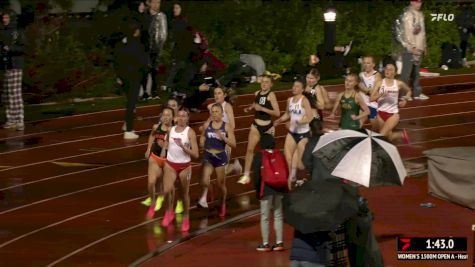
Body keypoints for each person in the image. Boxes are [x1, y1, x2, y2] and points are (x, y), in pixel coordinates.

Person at [198, 86, 241, 208]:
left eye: (219, 93)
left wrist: (224, 135)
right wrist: (203, 127)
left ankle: (234, 166)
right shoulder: (213, 108)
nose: (216, 96)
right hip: (212, 143)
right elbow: (208, 122)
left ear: (224, 95)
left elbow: (232, 125)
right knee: (208, 170)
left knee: (223, 172)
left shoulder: (227, 107)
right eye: (215, 93)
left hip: (224, 143)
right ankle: (203, 198)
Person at [161, 108, 199, 232]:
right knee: (166, 190)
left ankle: (186, 217)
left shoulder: (190, 132)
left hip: (184, 167)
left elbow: (196, 154)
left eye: (184, 116)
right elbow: (167, 144)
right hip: (170, 165)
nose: (181, 118)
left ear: (187, 118)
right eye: (179, 116)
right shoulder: (171, 130)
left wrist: (183, 146)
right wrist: (163, 150)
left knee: (183, 194)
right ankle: (169, 212)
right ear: (176, 117)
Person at [237, 75, 280, 184]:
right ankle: (246, 175)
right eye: (263, 82)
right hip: (256, 126)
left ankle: (272, 174)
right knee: (250, 150)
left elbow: (277, 113)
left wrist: (262, 109)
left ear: (271, 84)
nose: (264, 84)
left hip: (267, 128)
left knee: (268, 154)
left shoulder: (271, 95)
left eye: (267, 82)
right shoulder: (256, 93)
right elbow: (256, 103)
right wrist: (250, 108)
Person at [273, 79, 313, 183]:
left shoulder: (304, 101)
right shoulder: (289, 100)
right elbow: (287, 114)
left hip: (303, 134)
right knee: (288, 156)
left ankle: (308, 173)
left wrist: (296, 122)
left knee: (300, 164)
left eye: (297, 86)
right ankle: (292, 176)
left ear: (302, 89)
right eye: (293, 86)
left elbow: (309, 118)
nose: (294, 88)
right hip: (292, 133)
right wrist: (279, 120)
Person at [114, 22, 148, 139]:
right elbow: (142, 62)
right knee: (132, 103)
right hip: (134, 77)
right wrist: (145, 75)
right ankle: (128, 130)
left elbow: (117, 60)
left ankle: (127, 124)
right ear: (136, 31)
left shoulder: (122, 43)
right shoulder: (137, 45)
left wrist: (118, 76)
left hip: (124, 77)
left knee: (130, 102)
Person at [252, 133, 286, 252]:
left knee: (265, 217)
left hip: (265, 189)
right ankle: (279, 242)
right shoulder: (280, 153)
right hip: (279, 188)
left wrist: (257, 191)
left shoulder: (259, 156)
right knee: (278, 215)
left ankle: (265, 243)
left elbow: (256, 175)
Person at [142, 106, 174, 219]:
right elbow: (152, 136)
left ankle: (169, 210)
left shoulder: (174, 131)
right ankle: (153, 203)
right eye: (164, 115)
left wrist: (166, 148)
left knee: (167, 189)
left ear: (172, 117)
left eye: (168, 115)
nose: (165, 117)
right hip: (155, 158)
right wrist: (148, 149)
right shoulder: (156, 127)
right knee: (151, 183)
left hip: (168, 161)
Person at [395, 0, 428, 100]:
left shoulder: (420, 14)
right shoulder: (408, 15)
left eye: (420, 2)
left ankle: (417, 93)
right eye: (417, 2)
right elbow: (407, 32)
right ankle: (403, 94)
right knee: (406, 72)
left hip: (419, 48)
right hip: (410, 48)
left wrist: (424, 45)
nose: (419, 4)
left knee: (416, 72)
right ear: (411, 2)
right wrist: (412, 46)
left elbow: (422, 32)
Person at [370, 63, 412, 144]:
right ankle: (400, 135)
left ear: (395, 73)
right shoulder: (379, 83)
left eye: (390, 69)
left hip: (393, 114)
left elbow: (409, 91)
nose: (387, 71)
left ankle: (374, 149)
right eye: (386, 69)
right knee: (387, 137)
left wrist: (405, 100)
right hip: (380, 114)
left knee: (381, 136)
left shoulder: (399, 83)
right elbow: (371, 98)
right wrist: (380, 94)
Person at [0, 10, 25, 131]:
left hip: (16, 65)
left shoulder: (18, 31)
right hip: (6, 66)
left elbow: (23, 47)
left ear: (12, 18)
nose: (4, 20)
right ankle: (10, 119)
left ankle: (19, 120)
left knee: (15, 93)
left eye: (6, 17)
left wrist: (10, 48)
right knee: (7, 94)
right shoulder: (2, 31)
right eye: (3, 17)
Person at [144, 0, 167, 99]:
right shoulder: (145, 16)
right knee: (145, 70)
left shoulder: (161, 16)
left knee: (154, 71)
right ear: (149, 3)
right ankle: (145, 93)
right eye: (154, 2)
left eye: (158, 2)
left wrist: (159, 47)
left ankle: (154, 92)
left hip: (156, 49)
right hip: (144, 48)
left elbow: (163, 34)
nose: (156, 5)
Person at [359, 56, 382, 131]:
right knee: (358, 125)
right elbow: (358, 85)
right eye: (364, 63)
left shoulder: (377, 75)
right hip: (363, 105)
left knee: (376, 130)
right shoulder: (361, 75)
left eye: (368, 63)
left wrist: (365, 89)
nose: (366, 65)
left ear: (373, 64)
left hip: (373, 106)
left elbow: (374, 91)